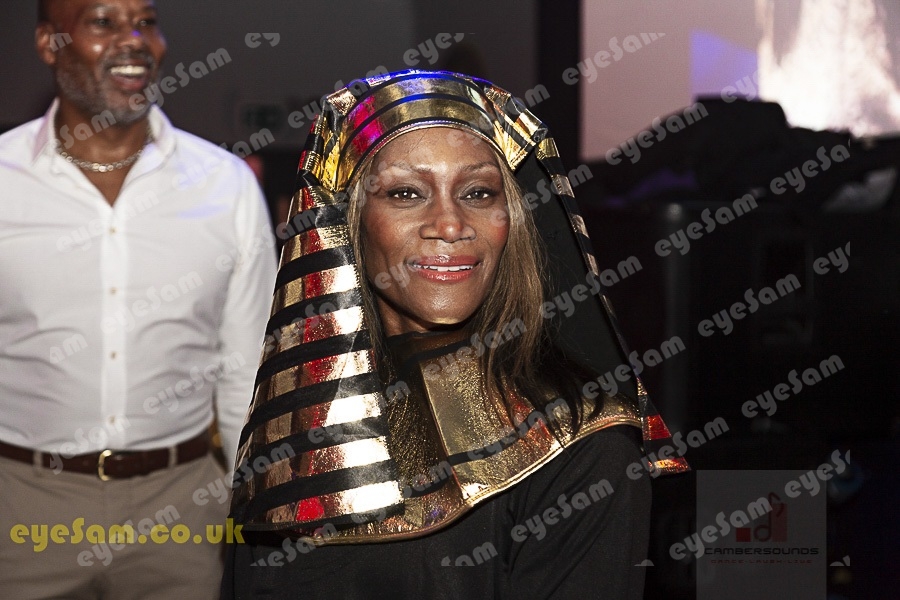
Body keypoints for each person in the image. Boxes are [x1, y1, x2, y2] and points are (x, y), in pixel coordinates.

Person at [222, 70, 687, 599]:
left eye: (478, 192)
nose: (449, 224)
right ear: (349, 220)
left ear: (511, 219)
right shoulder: (293, 422)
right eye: (405, 192)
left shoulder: (583, 441)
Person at [0, 0, 277, 597]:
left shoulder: (224, 185)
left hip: (181, 505)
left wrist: (252, 506)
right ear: (50, 43)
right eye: (104, 22)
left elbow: (246, 372)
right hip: (22, 503)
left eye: (146, 22)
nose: (135, 40)